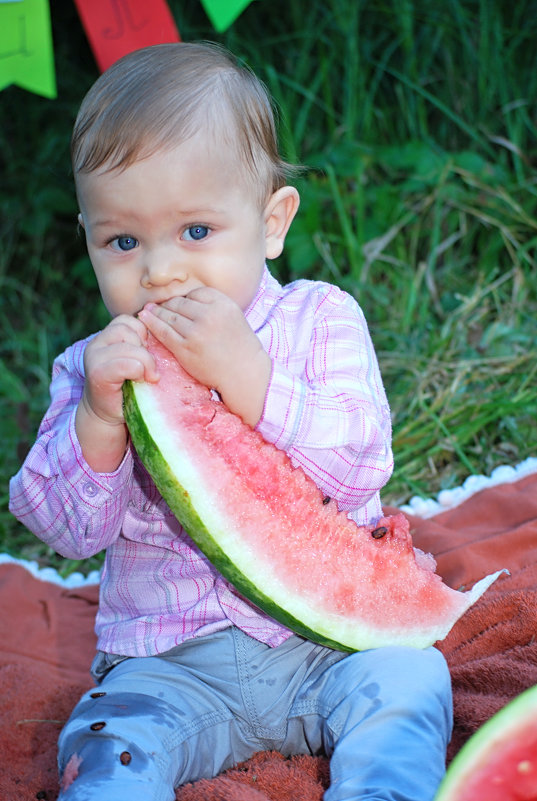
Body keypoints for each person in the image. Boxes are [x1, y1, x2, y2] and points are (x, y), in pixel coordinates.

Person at [9, 42, 452, 801]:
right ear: (87, 237)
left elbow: (360, 465)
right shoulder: (95, 365)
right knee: (102, 741)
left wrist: (249, 377)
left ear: (271, 221)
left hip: (328, 646)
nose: (160, 270)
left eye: (195, 232)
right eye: (122, 241)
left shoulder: (319, 319)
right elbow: (63, 529)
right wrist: (97, 419)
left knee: (411, 677)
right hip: (167, 668)